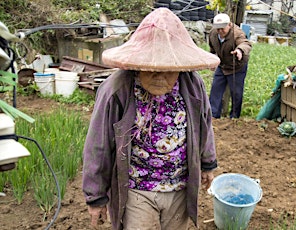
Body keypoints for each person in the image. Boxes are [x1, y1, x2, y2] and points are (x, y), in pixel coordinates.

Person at [82, 8, 220, 230]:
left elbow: (204, 127)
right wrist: (95, 196)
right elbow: (98, 144)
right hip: (137, 187)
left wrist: (207, 164)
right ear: (138, 64)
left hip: (179, 185)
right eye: (152, 69)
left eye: (167, 69)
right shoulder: (116, 90)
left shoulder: (192, 86)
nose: (159, 75)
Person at [208, 13, 252, 119]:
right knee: (215, 90)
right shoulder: (213, 34)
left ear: (229, 25)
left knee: (236, 93)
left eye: (222, 28)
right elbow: (212, 49)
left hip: (236, 67)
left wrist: (239, 51)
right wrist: (212, 60)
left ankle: (234, 117)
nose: (220, 31)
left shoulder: (237, 33)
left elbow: (245, 44)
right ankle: (213, 116)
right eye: (218, 29)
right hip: (222, 65)